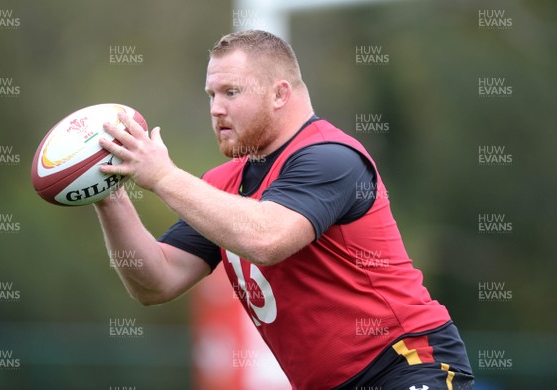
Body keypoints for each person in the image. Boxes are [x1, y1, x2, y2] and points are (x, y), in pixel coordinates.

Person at [95, 30, 474, 389]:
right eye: (211, 94)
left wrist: (162, 177)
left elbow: (266, 237)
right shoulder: (220, 184)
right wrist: (106, 191)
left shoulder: (330, 157)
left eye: (231, 92)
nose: (216, 109)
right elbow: (157, 281)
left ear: (280, 94)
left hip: (404, 364)